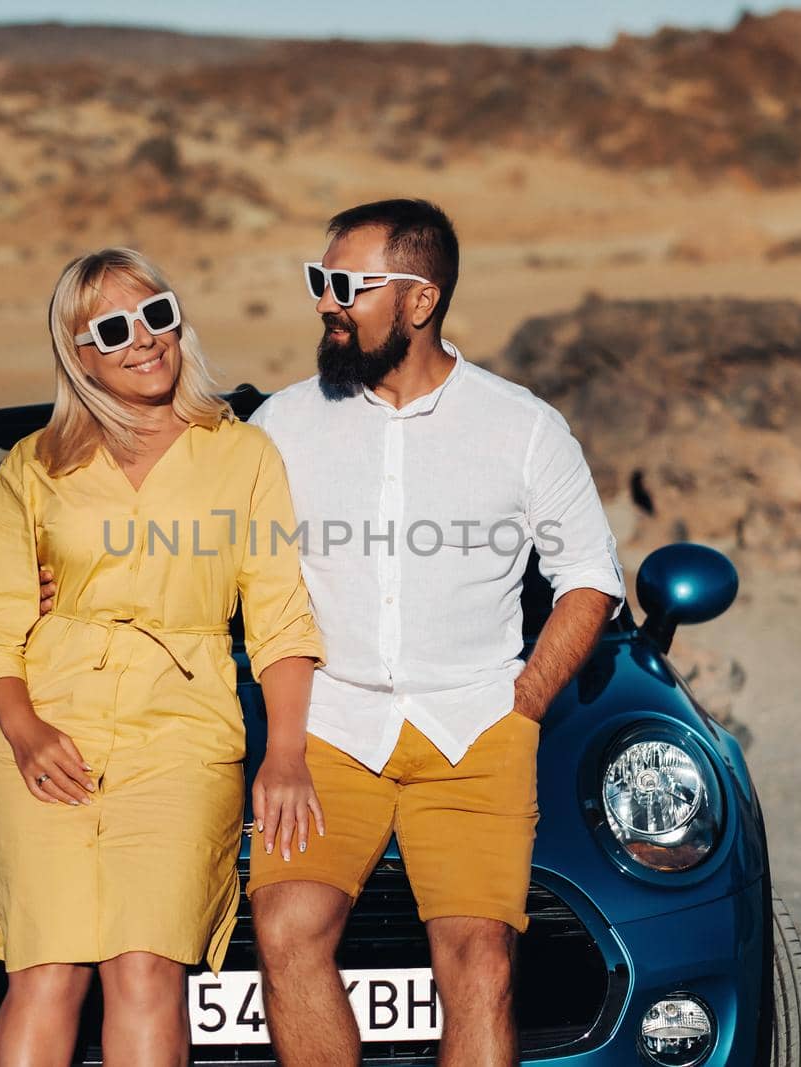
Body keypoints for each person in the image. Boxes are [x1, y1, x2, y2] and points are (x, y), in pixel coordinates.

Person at [243, 198, 625, 1066]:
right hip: (329, 730)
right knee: (286, 928)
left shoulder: (523, 428)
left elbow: (590, 580)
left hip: (476, 731)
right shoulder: (281, 424)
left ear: (420, 301)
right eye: (320, 281)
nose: (326, 303)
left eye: (348, 285)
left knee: (480, 961)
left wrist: (523, 702)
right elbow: (218, 560)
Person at [0, 247, 326, 1067]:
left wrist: (287, 750)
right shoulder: (33, 465)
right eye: (112, 329)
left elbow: (281, 617)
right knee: (45, 971)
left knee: (147, 967)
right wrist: (24, 731)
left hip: (183, 738)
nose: (144, 340)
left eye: (156, 313)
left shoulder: (243, 455)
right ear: (78, 355)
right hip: (46, 730)